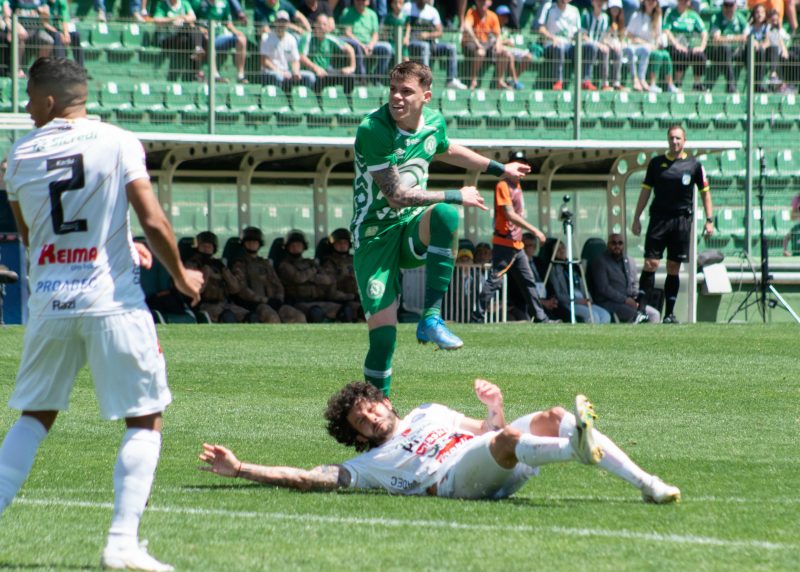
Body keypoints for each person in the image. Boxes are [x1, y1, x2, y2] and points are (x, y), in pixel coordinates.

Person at [0, 57, 204, 572]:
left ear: (49, 101)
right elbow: (152, 219)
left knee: (34, 416)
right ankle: (122, 541)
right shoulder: (118, 140)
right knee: (144, 416)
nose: (26, 108)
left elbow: (32, 235)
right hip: (112, 301)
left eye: (28, 98)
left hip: (48, 303)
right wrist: (182, 278)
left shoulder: (18, 155)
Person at [198, 379, 681, 505]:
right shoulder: (366, 465)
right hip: (454, 481)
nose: (368, 418)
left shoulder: (429, 412)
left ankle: (647, 482)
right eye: (359, 422)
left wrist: (494, 405)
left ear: (384, 402)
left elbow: (488, 430)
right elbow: (308, 478)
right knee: (517, 436)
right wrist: (242, 469)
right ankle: (576, 448)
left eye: (369, 407)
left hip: (495, 457)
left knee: (555, 415)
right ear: (356, 435)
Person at [351, 61, 528, 396]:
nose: (397, 98)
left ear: (426, 96)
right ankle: (379, 412)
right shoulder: (374, 129)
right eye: (393, 90)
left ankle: (430, 318)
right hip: (374, 238)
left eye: (406, 91)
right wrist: (456, 194)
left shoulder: (432, 122)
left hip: (412, 229)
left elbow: (445, 148)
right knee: (384, 338)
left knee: (445, 215)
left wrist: (499, 169)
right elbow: (396, 195)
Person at [631, 125, 713, 324]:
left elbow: (705, 192)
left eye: (678, 138)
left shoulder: (694, 165)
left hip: (681, 221)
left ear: (684, 141)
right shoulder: (656, 163)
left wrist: (709, 220)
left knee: (673, 267)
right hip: (659, 219)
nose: (674, 142)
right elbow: (645, 191)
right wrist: (636, 217)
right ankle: (641, 310)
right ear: (667, 140)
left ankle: (669, 313)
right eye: (671, 138)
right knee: (651, 263)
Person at [472, 151, 557, 325]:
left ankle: (541, 318)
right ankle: (476, 317)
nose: (520, 169)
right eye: (517, 164)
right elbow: (509, 214)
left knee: (528, 281)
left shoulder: (517, 186)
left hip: (517, 245)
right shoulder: (503, 185)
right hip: (505, 243)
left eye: (522, 164)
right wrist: (536, 231)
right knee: (494, 280)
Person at [229, 226, 306, 323]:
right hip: (254, 304)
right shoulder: (239, 264)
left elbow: (277, 284)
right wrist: (264, 300)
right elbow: (242, 289)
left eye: (255, 242)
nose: (252, 244)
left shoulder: (265, 264)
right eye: (249, 242)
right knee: (272, 318)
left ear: (259, 244)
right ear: (243, 244)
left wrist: (279, 299)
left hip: (273, 302)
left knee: (298, 316)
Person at [277, 229, 354, 322]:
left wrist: (309, 277)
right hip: (298, 302)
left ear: (303, 247)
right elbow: (298, 278)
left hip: (319, 300)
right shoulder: (285, 265)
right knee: (316, 313)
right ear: (287, 247)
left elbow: (327, 280)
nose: (296, 248)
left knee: (346, 311)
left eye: (298, 245)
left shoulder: (310, 262)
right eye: (292, 246)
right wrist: (313, 271)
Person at [588, 232, 660, 323]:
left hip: (630, 301)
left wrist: (636, 297)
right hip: (608, 302)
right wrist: (625, 300)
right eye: (613, 243)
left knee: (654, 314)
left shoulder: (629, 260)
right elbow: (604, 288)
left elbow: (635, 283)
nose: (617, 246)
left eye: (620, 243)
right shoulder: (600, 262)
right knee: (636, 315)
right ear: (608, 244)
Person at [185, 231, 250, 323]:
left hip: (224, 304)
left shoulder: (218, 264)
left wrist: (225, 272)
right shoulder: (192, 265)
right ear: (197, 247)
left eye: (209, 246)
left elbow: (235, 289)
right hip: (205, 305)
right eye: (204, 246)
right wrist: (206, 272)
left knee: (251, 317)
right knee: (228, 317)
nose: (207, 249)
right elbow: (195, 290)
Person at [403, 0, 468, 90]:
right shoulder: (407, 7)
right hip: (412, 43)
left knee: (451, 47)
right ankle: (426, 80)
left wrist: (427, 35)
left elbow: (440, 32)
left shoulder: (432, 11)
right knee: (424, 46)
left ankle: (451, 80)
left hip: (430, 44)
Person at [547, 241, 611, 323]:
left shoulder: (574, 265)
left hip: (582, 299)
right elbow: (558, 294)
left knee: (605, 315)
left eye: (562, 247)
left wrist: (588, 299)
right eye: (557, 249)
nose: (561, 250)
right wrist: (576, 301)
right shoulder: (553, 268)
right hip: (569, 302)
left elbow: (583, 285)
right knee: (593, 316)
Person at [624, 0, 676, 93]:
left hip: (652, 47)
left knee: (665, 54)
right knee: (656, 55)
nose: (651, 2)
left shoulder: (658, 17)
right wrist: (645, 43)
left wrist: (657, 44)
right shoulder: (636, 16)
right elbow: (629, 35)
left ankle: (670, 84)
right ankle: (651, 83)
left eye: (653, 1)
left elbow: (658, 36)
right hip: (638, 47)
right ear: (644, 2)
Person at [192, 0, 249, 83]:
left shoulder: (224, 3)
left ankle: (240, 75)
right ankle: (215, 75)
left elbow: (227, 22)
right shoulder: (197, 2)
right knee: (209, 40)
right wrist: (200, 29)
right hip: (203, 38)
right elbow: (191, 21)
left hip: (220, 36)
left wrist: (236, 32)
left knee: (242, 39)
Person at [461, 0, 513, 90]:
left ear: (490, 3)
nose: (483, 3)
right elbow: (467, 27)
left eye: (485, 1)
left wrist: (498, 45)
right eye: (481, 1)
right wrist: (477, 43)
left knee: (505, 53)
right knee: (480, 52)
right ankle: (473, 79)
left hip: (486, 44)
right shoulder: (471, 12)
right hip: (471, 43)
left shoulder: (492, 16)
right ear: (476, 2)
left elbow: (498, 35)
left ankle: (500, 81)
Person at [339, 0, 394, 84]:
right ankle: (362, 78)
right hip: (354, 43)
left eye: (364, 0)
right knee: (356, 47)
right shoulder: (347, 12)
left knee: (387, 48)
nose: (361, 2)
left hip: (369, 44)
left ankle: (375, 78)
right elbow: (347, 32)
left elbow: (375, 34)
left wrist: (370, 45)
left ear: (368, 2)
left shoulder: (372, 14)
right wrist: (362, 45)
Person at [298, 13, 356, 91]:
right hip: (310, 71)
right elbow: (301, 57)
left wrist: (351, 67)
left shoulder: (330, 38)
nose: (321, 27)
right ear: (315, 25)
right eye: (319, 24)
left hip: (325, 72)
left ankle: (347, 101)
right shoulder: (307, 37)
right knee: (317, 79)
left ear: (328, 27)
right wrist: (315, 68)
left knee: (349, 77)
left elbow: (350, 49)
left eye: (324, 24)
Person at [260, 10, 316, 90]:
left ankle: (304, 100)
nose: (282, 24)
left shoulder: (291, 39)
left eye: (284, 22)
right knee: (278, 77)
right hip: (270, 72)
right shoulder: (266, 37)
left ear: (288, 24)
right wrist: (280, 72)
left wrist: (295, 71)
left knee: (310, 77)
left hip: (287, 72)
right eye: (280, 21)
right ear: (275, 22)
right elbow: (264, 61)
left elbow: (295, 60)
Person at [537, 0, 583, 91]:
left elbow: (578, 31)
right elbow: (541, 29)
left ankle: (585, 82)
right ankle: (558, 82)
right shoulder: (549, 7)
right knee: (559, 47)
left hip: (569, 46)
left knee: (587, 47)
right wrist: (552, 38)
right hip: (551, 45)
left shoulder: (575, 10)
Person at [663, 0, 707, 92]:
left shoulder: (693, 15)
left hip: (689, 45)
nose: (683, 2)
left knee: (700, 55)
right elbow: (666, 30)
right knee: (681, 53)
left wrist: (702, 47)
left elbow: (704, 32)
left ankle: (697, 84)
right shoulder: (671, 13)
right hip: (674, 45)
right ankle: (677, 83)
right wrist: (676, 44)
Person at [319, 227, 362, 321]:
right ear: (333, 245)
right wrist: (349, 296)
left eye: (345, 243)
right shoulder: (329, 262)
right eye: (339, 243)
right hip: (339, 301)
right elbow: (330, 287)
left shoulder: (355, 260)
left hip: (357, 298)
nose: (342, 246)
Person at [709, 0, 750, 94]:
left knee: (753, 50)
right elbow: (717, 39)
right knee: (725, 48)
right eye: (726, 5)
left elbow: (746, 37)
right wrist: (736, 38)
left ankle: (755, 85)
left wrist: (727, 37)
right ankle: (731, 85)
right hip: (719, 51)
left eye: (731, 5)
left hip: (737, 50)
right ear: (722, 6)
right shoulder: (716, 17)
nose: (728, 8)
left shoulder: (740, 17)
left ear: (735, 6)